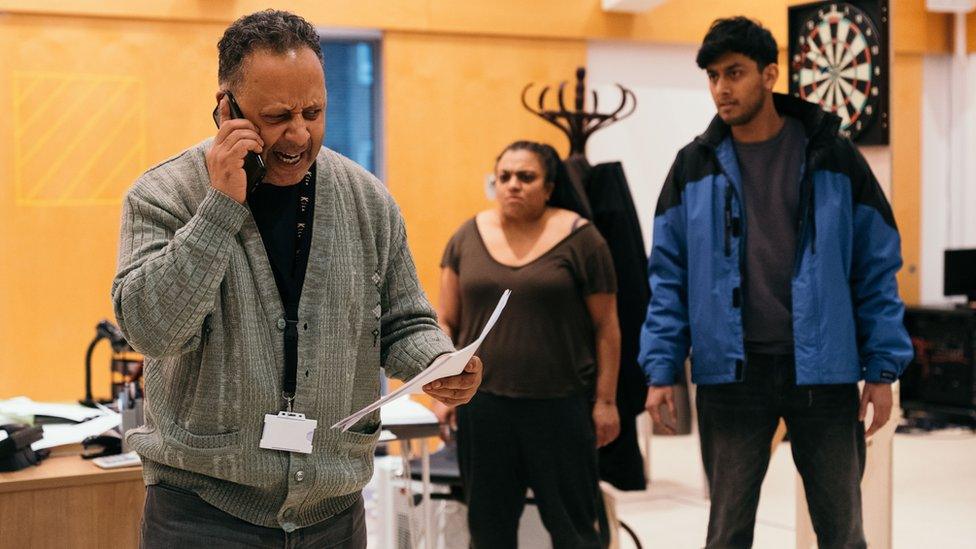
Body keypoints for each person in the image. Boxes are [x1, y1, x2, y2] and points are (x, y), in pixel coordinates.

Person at [112, 10, 481, 548]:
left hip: (332, 514)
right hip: (203, 515)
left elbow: (405, 320)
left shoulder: (367, 200)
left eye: (314, 111)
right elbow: (151, 331)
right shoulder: (163, 195)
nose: (299, 134)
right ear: (226, 108)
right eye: (278, 115)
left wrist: (435, 362)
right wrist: (219, 210)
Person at [640, 17, 913, 549]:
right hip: (730, 376)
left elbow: (876, 268)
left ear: (770, 74)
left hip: (824, 373)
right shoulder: (692, 166)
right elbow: (667, 280)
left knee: (842, 532)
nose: (722, 88)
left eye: (735, 73)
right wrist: (661, 369)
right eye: (714, 76)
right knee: (727, 534)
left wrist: (882, 370)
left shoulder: (833, 156)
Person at [435, 141, 621, 548]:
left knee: (574, 531)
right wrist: (444, 392)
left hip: (561, 408)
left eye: (526, 177)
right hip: (483, 410)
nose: (513, 185)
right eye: (504, 177)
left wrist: (605, 401)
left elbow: (607, 327)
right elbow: (445, 321)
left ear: (549, 187)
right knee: (487, 531)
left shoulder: (583, 240)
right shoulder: (467, 235)